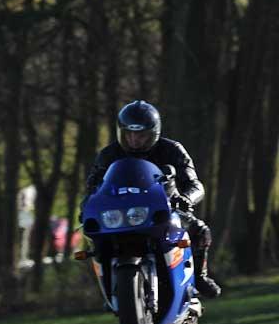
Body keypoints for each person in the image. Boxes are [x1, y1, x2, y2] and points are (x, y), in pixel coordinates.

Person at [84, 100, 221, 298]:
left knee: (200, 231)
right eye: (129, 133)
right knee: (96, 241)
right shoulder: (108, 155)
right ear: (121, 132)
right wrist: (86, 207)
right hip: (120, 215)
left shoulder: (172, 150)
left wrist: (186, 198)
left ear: (153, 132)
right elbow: (92, 188)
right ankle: (110, 291)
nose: (134, 139)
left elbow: (195, 185)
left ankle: (199, 277)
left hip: (166, 210)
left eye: (140, 134)